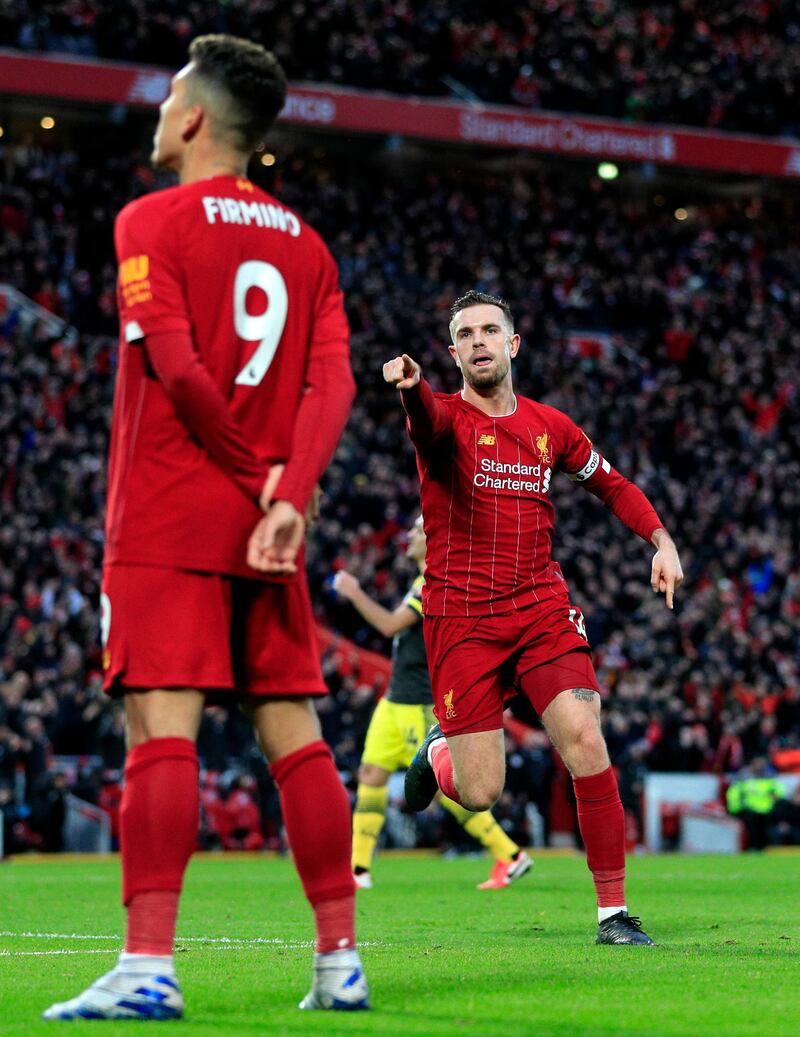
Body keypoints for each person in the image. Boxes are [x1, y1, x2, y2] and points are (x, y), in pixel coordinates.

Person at [44, 35, 369, 1020]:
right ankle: (338, 960)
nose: (156, 113)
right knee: (296, 737)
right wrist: (287, 494)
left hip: (172, 507)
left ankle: (147, 964)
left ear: (191, 118)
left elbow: (179, 367)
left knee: (160, 726)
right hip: (269, 527)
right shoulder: (306, 245)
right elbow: (335, 381)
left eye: (165, 97)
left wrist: (250, 475)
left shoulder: (150, 218)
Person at [383, 290, 684, 945]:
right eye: (466, 333)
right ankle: (441, 754)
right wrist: (412, 388)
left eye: (492, 328)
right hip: (462, 619)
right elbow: (423, 422)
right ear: (454, 351)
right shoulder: (443, 418)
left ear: (514, 343)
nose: (480, 340)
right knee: (483, 790)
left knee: (585, 734)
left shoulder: (552, 425)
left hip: (540, 608)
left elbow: (610, 483)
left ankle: (613, 914)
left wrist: (659, 538)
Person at [333, 515, 532, 890]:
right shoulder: (422, 581)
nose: (407, 536)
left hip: (418, 703)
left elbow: (390, 626)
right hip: (393, 702)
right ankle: (358, 870)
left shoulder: (435, 583)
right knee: (371, 775)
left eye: (415, 530)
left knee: (439, 787)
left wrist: (354, 591)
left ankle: (509, 854)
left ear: (432, 537)